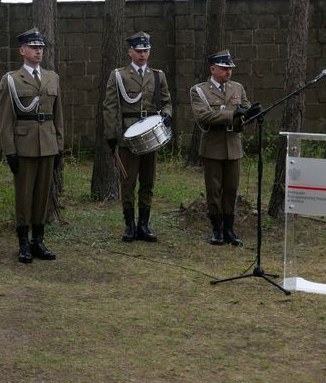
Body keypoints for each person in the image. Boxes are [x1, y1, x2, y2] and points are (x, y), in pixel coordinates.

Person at [0, 27, 64, 263]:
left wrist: (59, 146)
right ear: (22, 50)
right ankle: (23, 243)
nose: (38, 51)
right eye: (34, 47)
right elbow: (5, 119)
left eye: (41, 47)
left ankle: (38, 240)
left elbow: (58, 116)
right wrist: (9, 151)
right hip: (24, 146)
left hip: (47, 145)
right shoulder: (12, 80)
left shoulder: (52, 78)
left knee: (42, 195)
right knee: (24, 196)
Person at [102, 31, 172, 242]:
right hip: (128, 136)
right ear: (130, 52)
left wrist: (167, 114)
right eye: (139, 51)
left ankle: (144, 224)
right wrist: (111, 135)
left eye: (146, 51)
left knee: (148, 181)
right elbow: (110, 106)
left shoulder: (157, 75)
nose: (143, 55)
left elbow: (167, 101)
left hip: (151, 136)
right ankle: (129, 226)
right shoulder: (119, 76)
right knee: (128, 182)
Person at [189, 49, 261, 246]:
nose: (228, 72)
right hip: (213, 146)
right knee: (214, 189)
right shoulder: (200, 91)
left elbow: (245, 109)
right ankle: (217, 229)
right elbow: (203, 116)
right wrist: (232, 114)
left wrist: (251, 114)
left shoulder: (237, 87)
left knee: (231, 189)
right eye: (223, 68)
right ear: (213, 69)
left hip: (233, 145)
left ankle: (229, 228)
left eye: (230, 68)